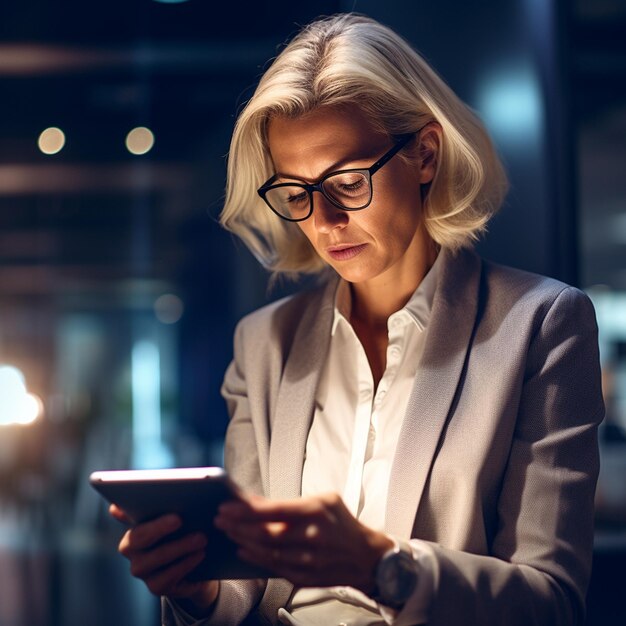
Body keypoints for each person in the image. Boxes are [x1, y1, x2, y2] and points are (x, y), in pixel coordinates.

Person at [110, 13, 604, 626]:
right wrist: (197, 588)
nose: (321, 221)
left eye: (346, 183)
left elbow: (550, 601)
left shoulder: (541, 326)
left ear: (424, 154)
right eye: (295, 192)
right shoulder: (263, 345)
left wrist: (381, 566)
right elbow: (243, 590)